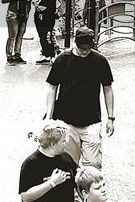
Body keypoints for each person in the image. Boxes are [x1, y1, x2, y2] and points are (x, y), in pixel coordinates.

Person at [44, 26, 115, 168]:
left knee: (93, 164)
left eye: (88, 48)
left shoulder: (100, 60)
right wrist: (48, 118)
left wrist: (111, 118)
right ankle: (72, 189)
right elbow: (52, 88)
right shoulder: (62, 59)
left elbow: (108, 89)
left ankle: (88, 189)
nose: (84, 51)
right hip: (66, 121)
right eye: (82, 48)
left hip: (92, 120)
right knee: (70, 164)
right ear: (75, 43)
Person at [32, 0, 61, 64]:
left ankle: (52, 54)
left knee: (48, 34)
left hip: (49, 14)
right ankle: (46, 54)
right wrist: (36, 3)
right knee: (41, 36)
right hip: (39, 13)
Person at [3, 0, 30, 64]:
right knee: (12, 36)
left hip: (23, 12)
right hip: (13, 13)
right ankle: (9, 56)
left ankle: (18, 54)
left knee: (20, 35)